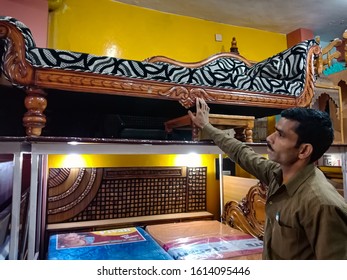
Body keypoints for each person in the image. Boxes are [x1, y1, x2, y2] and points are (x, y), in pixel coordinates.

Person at [189, 97, 347, 260]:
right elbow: (241, 153)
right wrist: (206, 126)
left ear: (304, 150)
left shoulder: (321, 204)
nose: (269, 138)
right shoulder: (277, 174)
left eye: (280, 134)